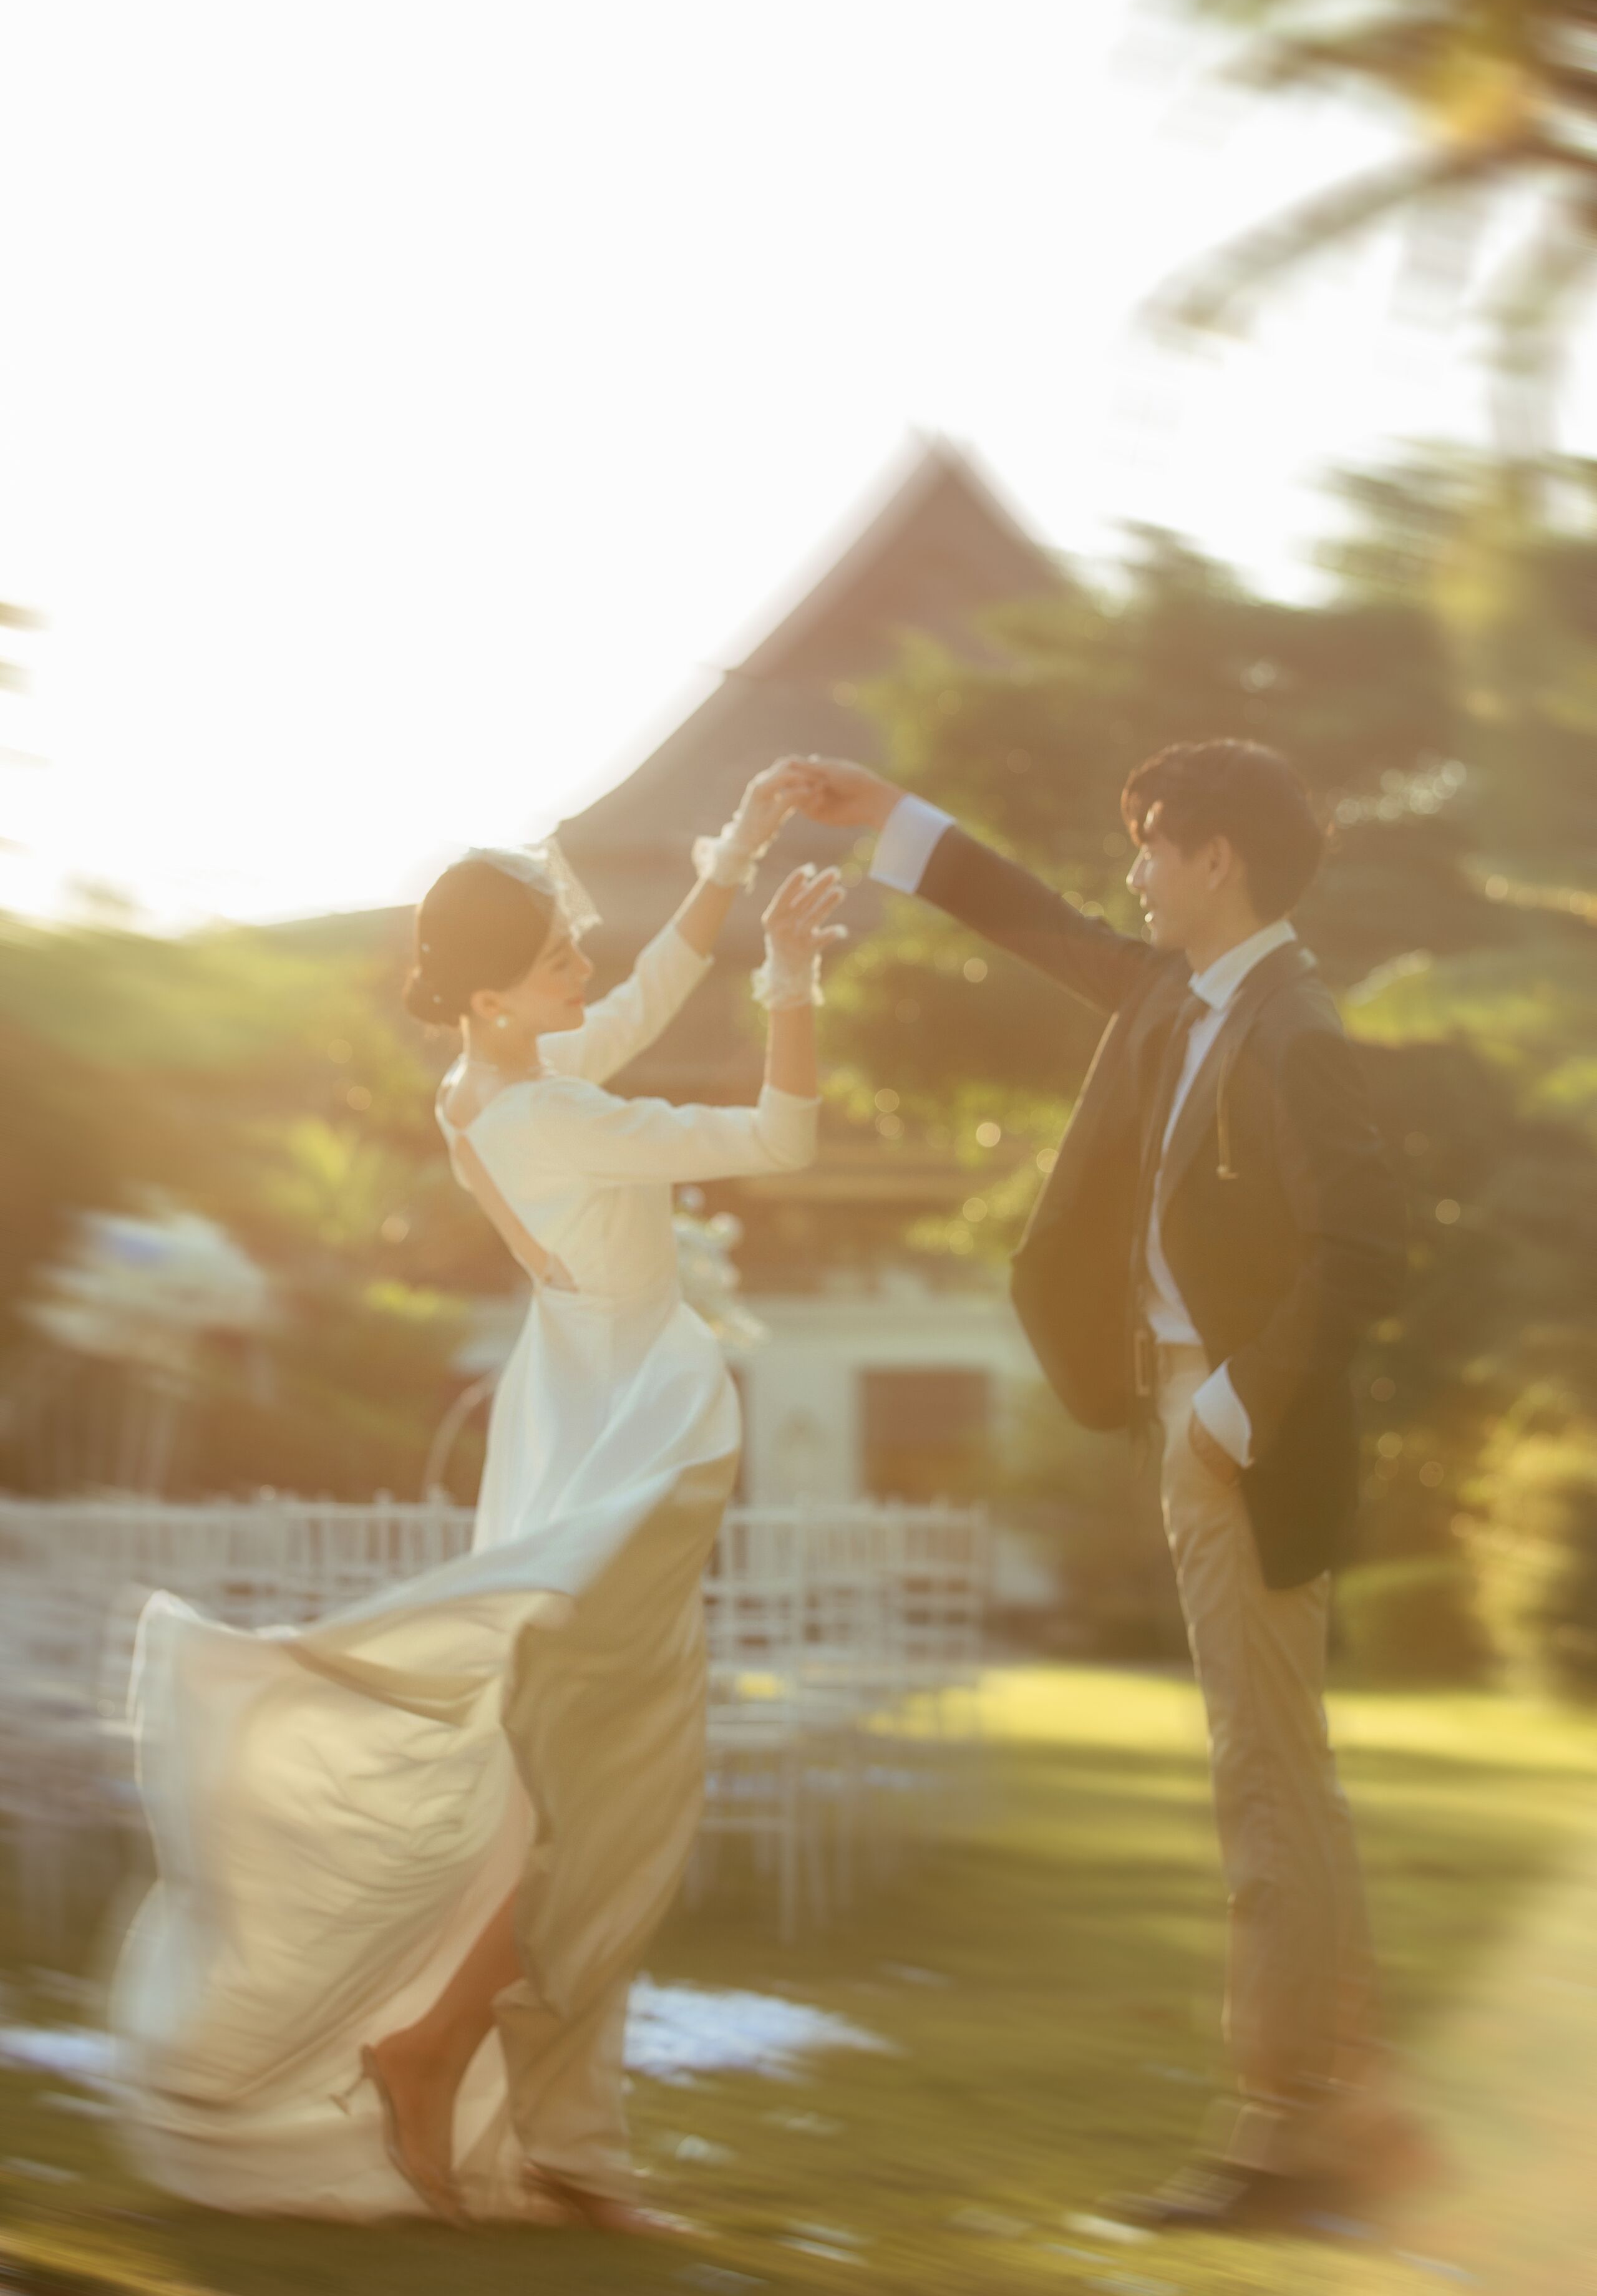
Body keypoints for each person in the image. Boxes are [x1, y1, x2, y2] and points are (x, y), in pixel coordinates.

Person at [111, 762, 844, 2233]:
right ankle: (454, 2061)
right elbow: (779, 1137)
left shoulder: (497, 1082)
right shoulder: (545, 1116)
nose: (586, 958)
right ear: (502, 995)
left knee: (578, 1798)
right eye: (558, 954)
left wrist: (744, 850)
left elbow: (638, 989)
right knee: (607, 1803)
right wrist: (789, 975)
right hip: (628, 1448)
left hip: (583, 1432)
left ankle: (529, 2114)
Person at [789, 740, 1420, 2234]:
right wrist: (892, 821)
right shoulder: (1170, 995)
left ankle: (1276, 2131)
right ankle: (1353, 2105)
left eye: (1150, 844)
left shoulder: (1292, 1029)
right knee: (1288, 1776)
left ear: (1217, 862)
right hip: (1185, 1412)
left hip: (1235, 1440)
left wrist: (1225, 1408)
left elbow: (1366, 1248)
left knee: (1258, 1779)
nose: (1130, 870)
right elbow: (1026, 918)